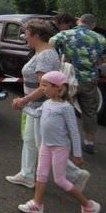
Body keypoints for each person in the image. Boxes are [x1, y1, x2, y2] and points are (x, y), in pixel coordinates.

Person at [6, 20, 89, 190]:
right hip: (37, 105)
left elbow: (44, 87)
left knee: (44, 145)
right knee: (30, 140)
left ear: (36, 35)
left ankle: (75, 174)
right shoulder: (42, 52)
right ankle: (27, 175)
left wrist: (24, 100)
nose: (24, 36)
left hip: (41, 106)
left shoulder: (45, 56)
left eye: (26, 33)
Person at [18, 71, 101, 213]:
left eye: (45, 85)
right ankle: (37, 205)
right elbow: (36, 114)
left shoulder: (66, 107)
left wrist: (77, 154)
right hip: (45, 145)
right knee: (41, 175)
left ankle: (88, 205)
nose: (42, 88)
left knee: (60, 180)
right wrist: (22, 106)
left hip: (60, 148)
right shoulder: (46, 103)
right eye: (41, 85)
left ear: (59, 87)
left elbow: (74, 132)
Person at [50, 13, 106, 154]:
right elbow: (101, 61)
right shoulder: (101, 38)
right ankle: (89, 142)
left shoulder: (66, 34)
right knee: (90, 112)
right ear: (93, 25)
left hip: (68, 79)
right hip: (89, 81)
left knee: (61, 108)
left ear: (79, 21)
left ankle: (61, 140)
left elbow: (51, 43)